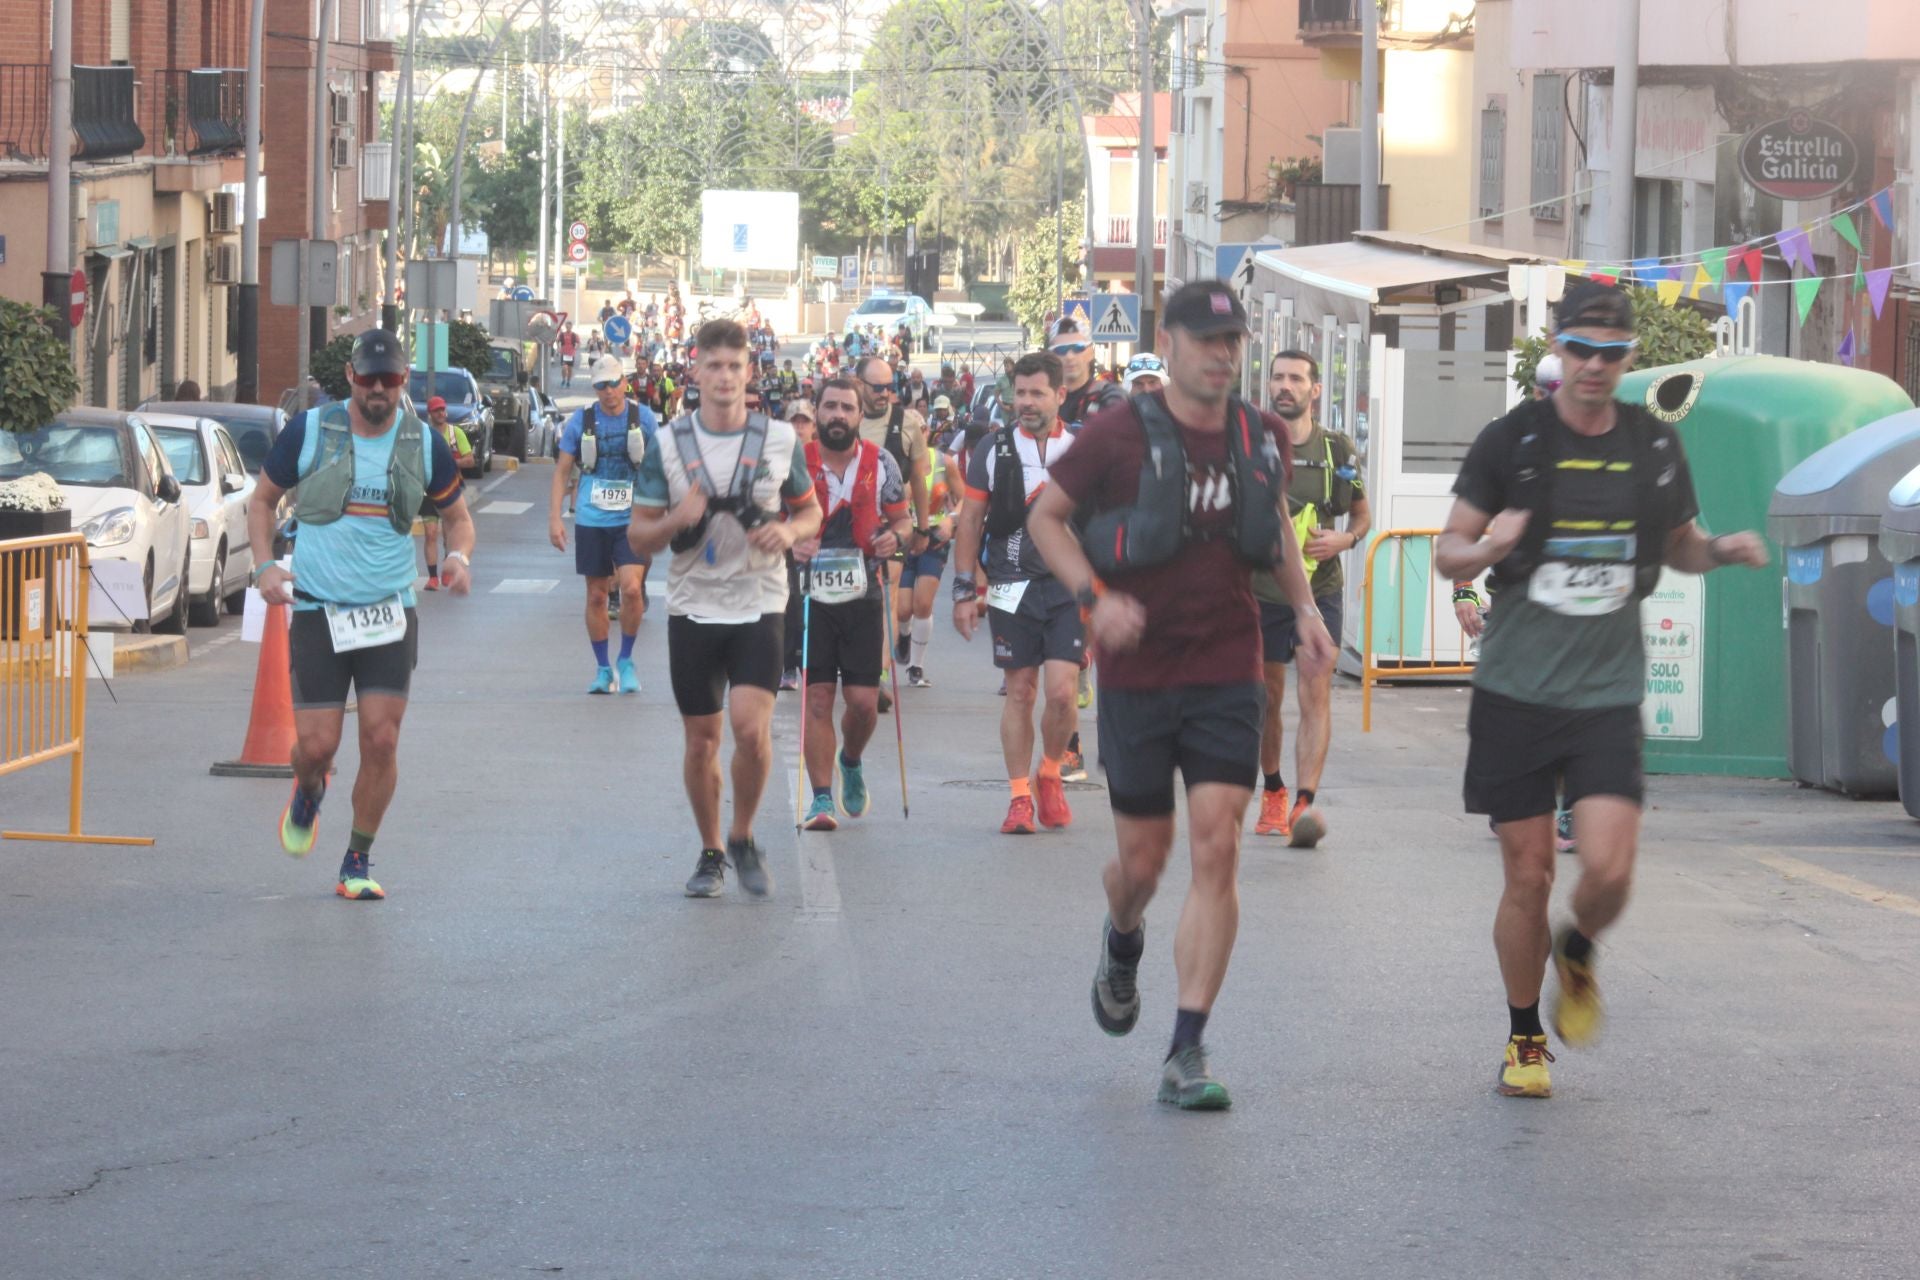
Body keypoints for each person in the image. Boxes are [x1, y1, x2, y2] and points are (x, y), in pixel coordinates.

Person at [1432, 280, 1768, 1100]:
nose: (1592, 366)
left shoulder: (1653, 447)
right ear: (1558, 349)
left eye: (1609, 353)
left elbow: (1680, 546)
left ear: (1628, 358)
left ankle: (1577, 950)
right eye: (1579, 350)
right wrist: (1488, 547)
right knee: (1529, 874)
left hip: (1606, 692)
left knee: (1611, 869)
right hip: (1516, 688)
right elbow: (1447, 550)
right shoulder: (1510, 442)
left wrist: (1720, 550)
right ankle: (1524, 1038)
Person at [1027, 280, 1331, 1110]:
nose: (1222, 354)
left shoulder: (1264, 436)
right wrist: (1094, 597)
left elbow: (1272, 538)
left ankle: (1186, 1049)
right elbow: (1046, 519)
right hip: (1137, 675)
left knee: (1217, 846)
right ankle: (1121, 937)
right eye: (1204, 339)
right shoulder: (1117, 433)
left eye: (1232, 341)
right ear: (1171, 340)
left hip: (1226, 667)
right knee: (1143, 862)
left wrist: (1305, 613)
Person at [247, 329, 475, 902]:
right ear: (350, 376)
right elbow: (260, 500)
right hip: (321, 610)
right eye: (369, 379)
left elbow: (459, 518)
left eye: (391, 380)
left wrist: (458, 557)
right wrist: (264, 567)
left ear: (404, 381)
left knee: (381, 739)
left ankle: (357, 859)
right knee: (319, 748)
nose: (379, 390)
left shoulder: (425, 443)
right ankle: (307, 788)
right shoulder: (310, 431)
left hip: (389, 613)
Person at [629, 319, 823, 898]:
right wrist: (675, 521)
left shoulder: (780, 441)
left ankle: (743, 834)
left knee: (750, 729)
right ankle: (712, 849)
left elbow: (811, 512)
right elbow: (639, 539)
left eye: (735, 366)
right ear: (695, 369)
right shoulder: (667, 444)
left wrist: (789, 534)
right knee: (701, 741)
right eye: (713, 365)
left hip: (760, 602)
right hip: (692, 606)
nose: (724, 376)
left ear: (749, 371)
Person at [952, 350, 1084, 835]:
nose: (1024, 403)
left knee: (1064, 693)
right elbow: (970, 520)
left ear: (1060, 395)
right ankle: (1019, 798)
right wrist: (965, 590)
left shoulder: (1084, 447)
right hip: (1009, 585)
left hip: (1069, 585)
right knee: (1021, 692)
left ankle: (1050, 771)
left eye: (1036, 393)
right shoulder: (994, 448)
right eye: (1019, 393)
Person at [1453, 351, 1578, 855]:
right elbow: (1467, 527)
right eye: (1547, 390)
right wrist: (1463, 589)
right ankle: (1521, 799)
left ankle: (1566, 809)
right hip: (1516, 602)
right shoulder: (1507, 441)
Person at [1250, 351, 1370, 846]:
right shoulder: (1252, 442)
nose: (1285, 386)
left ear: (1314, 390)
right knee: (1267, 698)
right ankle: (1273, 787)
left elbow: (1361, 514)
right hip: (1260, 590)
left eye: (1296, 378)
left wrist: (1346, 539)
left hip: (1320, 590)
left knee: (1315, 689)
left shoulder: (1336, 449)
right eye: (1278, 377)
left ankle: (1305, 801)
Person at [793, 379, 914, 830]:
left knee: (863, 703)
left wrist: (894, 538)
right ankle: (821, 799)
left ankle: (851, 759)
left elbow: (903, 519)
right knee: (819, 698)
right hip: (810, 595)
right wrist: (791, 544)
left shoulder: (881, 463)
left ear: (861, 416)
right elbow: (767, 518)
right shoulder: (795, 464)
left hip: (864, 593)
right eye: (829, 407)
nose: (837, 415)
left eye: (847, 407)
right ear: (817, 412)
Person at [550, 355, 658, 695]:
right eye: (601, 386)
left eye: (613, 383)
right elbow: (563, 471)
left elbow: (661, 467)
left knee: (629, 588)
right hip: (592, 516)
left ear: (624, 383)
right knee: (596, 595)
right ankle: (602, 668)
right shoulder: (581, 421)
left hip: (632, 516)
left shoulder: (644, 418)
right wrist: (555, 518)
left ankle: (626, 659)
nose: (608, 391)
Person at [895, 397, 964, 687]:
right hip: (903, 539)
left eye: (920, 430)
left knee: (923, 604)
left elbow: (965, 500)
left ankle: (916, 668)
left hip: (934, 538)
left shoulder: (943, 462)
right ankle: (903, 634)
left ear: (927, 432)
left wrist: (950, 520)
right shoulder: (893, 462)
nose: (916, 437)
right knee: (902, 609)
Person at [419, 396, 473, 590]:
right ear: (430, 414)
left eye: (443, 410)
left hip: (450, 489)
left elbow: (470, 460)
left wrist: (448, 463)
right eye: (436, 411)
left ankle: (448, 568)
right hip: (427, 492)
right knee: (431, 533)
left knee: (449, 533)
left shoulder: (455, 433)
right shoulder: (423, 434)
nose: (441, 413)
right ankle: (433, 577)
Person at [557, 321, 580, 388]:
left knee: (570, 369)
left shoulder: (574, 335)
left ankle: (568, 381)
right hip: (564, 353)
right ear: (565, 327)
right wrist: (558, 348)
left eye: (569, 327)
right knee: (564, 368)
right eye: (567, 327)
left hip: (571, 354)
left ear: (571, 327)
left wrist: (576, 348)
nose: (568, 328)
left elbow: (578, 343)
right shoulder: (562, 334)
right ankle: (563, 379)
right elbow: (557, 341)